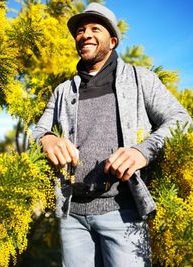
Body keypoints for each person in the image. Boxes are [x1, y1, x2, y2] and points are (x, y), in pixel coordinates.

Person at [33, 2, 192, 267]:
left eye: (96, 28)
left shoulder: (141, 79)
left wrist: (143, 151)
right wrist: (47, 139)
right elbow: (38, 131)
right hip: (72, 216)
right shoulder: (62, 91)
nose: (85, 35)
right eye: (81, 30)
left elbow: (182, 121)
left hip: (123, 213)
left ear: (113, 40)